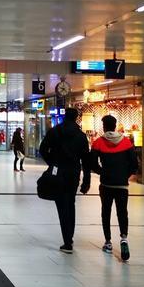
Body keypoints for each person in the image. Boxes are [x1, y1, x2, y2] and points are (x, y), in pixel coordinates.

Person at [39, 108, 91, 254]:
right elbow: (86, 161)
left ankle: (67, 241)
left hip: (58, 173)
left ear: (64, 116)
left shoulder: (55, 132)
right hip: (74, 173)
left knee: (61, 204)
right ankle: (70, 237)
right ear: (76, 118)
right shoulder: (81, 136)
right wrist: (86, 181)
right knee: (71, 203)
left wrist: (52, 163)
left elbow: (43, 149)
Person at [89, 115, 138, 261]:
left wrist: (102, 172)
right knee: (122, 212)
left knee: (106, 212)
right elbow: (134, 165)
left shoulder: (98, 143)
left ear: (104, 126)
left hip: (106, 184)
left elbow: (92, 163)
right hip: (122, 184)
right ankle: (123, 238)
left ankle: (108, 242)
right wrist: (124, 175)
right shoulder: (127, 142)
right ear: (115, 126)